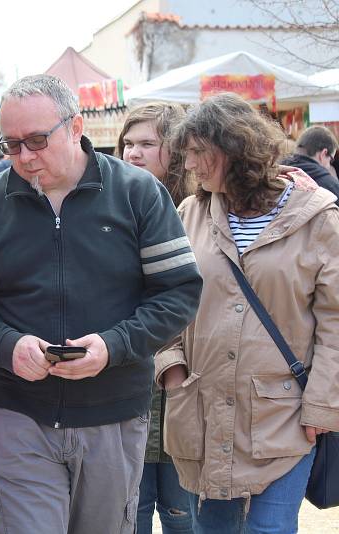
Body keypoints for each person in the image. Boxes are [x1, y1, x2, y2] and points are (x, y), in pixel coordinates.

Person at [0, 74, 203, 533]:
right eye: (11, 144)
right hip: (19, 412)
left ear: (76, 126)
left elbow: (178, 292)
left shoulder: (137, 194)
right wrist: (7, 347)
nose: (24, 157)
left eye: (37, 140)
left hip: (114, 414)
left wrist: (114, 346)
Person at [157, 93, 339, 533]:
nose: (192, 165)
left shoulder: (318, 220)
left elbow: (336, 325)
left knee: (268, 530)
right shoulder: (191, 213)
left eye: (200, 152)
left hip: (284, 415)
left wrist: (321, 405)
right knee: (212, 530)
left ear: (237, 148)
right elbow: (166, 297)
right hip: (202, 410)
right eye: (188, 154)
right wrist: (171, 368)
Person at [117, 102, 195, 534]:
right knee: (133, 505)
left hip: (185, 377)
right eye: (128, 143)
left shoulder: (202, 212)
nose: (133, 153)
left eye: (148, 143)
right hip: (130, 370)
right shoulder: (115, 205)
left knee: (183, 508)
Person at [280, 125, 339, 205]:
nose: (329, 165)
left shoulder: (274, 175)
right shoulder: (331, 186)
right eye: (331, 159)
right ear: (323, 154)